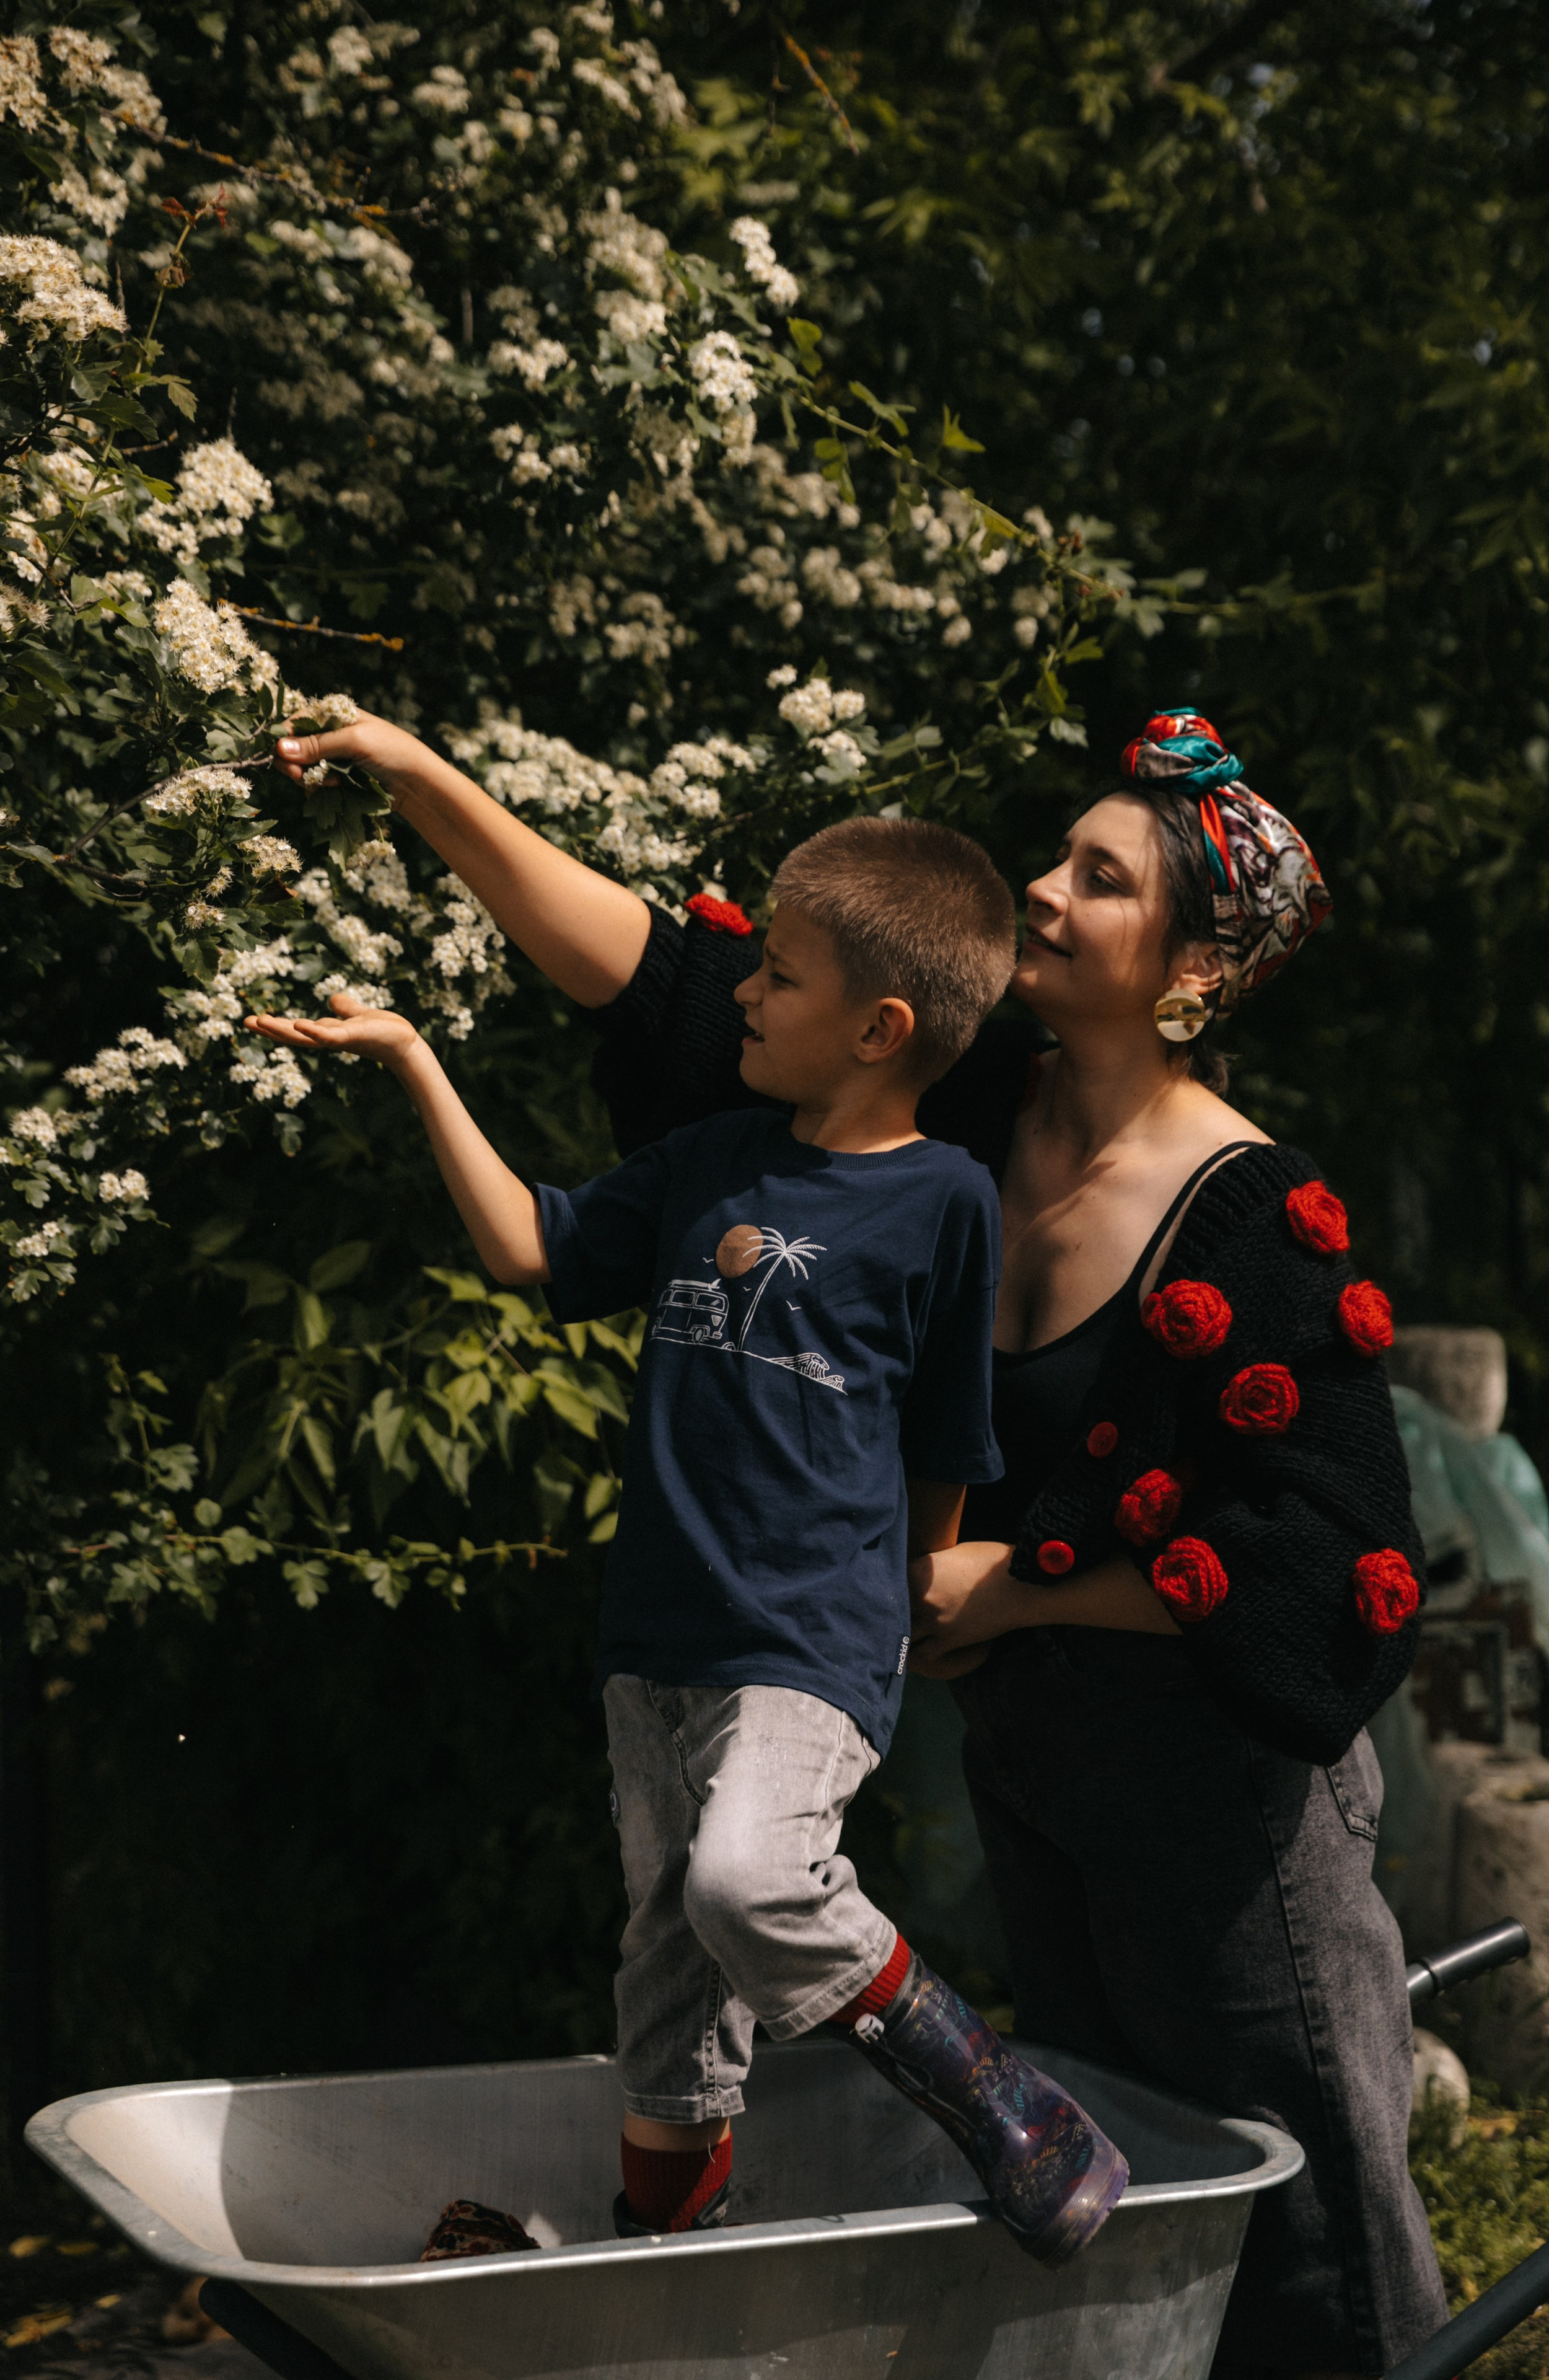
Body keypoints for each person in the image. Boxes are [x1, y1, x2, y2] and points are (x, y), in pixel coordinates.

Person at [270, 707, 1446, 2373]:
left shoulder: (1258, 1219)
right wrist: (424, 782)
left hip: (1228, 1818)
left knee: (1312, 2237)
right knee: (1131, 2260)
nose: (1041, 891)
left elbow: (1327, 1572)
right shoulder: (954, 1118)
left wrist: (1019, 1586)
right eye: (1058, 855)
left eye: (1097, 881)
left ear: (1191, 972)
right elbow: (662, 980)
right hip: (1040, 1779)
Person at [245, 811, 1131, 2268]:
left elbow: (946, 1437)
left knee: (748, 1884)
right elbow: (531, 1248)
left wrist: (914, 1592)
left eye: (776, 976)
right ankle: (662, 2258)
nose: (740, 992)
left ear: (877, 1027)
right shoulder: (706, 1159)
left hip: (810, 1637)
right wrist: (414, 1061)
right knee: (667, 1974)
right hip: (655, 1636)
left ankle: (1004, 2101)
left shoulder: (943, 1201)